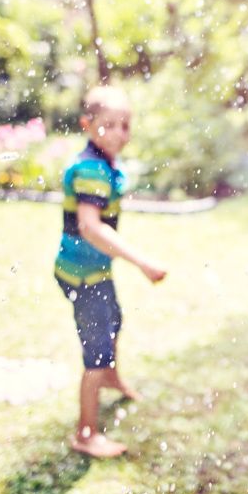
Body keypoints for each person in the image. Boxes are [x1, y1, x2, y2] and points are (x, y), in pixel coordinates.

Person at [54, 85, 168, 458]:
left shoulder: (100, 161)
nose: (119, 133)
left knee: (114, 321)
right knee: (96, 350)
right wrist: (142, 261)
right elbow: (90, 226)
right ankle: (85, 433)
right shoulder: (90, 168)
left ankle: (112, 377)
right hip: (82, 274)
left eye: (125, 124)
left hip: (93, 270)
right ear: (87, 125)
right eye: (109, 125)